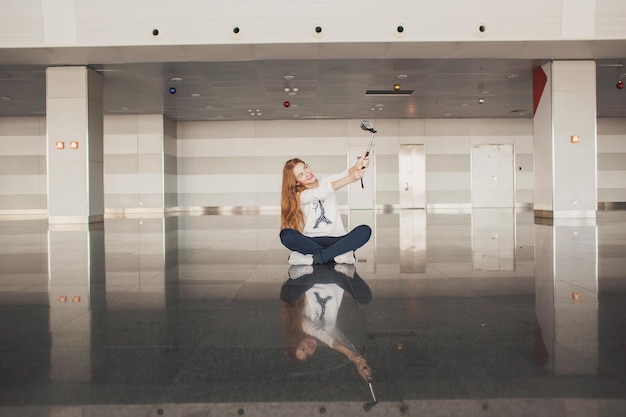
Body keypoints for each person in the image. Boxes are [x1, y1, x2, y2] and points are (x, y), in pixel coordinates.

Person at [280, 262, 373, 383]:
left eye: (302, 347)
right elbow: (342, 341)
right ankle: (343, 265)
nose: (308, 349)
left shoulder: (302, 324)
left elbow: (322, 334)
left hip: (317, 276)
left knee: (286, 295)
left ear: (297, 339)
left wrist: (351, 355)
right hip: (337, 277)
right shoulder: (329, 328)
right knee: (365, 298)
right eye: (307, 354)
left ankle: (317, 266)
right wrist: (358, 361)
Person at [280, 155, 372, 266]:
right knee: (286, 235)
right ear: (297, 182)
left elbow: (344, 174)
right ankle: (338, 253)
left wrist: (357, 166)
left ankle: (316, 257)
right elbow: (321, 192)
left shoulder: (324, 180)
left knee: (365, 230)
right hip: (311, 240)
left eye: (306, 168)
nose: (307, 173)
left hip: (337, 239)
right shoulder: (299, 195)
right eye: (301, 175)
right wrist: (349, 179)